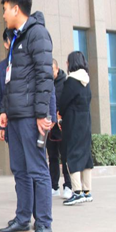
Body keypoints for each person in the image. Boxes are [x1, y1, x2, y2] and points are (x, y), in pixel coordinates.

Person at [0, 0, 54, 232]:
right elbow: (11, 80)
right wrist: (5, 110)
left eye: (5, 10)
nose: (3, 15)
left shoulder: (37, 33)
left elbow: (44, 76)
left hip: (31, 116)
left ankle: (43, 223)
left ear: (16, 9)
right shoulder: (15, 39)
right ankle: (22, 219)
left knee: (38, 170)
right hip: (16, 116)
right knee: (19, 170)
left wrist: (42, 113)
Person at [59, 51, 94, 206]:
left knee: (72, 154)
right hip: (85, 121)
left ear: (71, 63)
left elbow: (63, 102)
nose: (66, 64)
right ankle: (87, 192)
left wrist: (60, 114)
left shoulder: (71, 81)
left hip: (73, 122)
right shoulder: (86, 80)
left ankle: (77, 192)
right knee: (85, 155)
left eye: (67, 61)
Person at [47, 59, 72, 199]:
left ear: (57, 69)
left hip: (62, 125)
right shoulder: (46, 82)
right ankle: (54, 186)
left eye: (52, 70)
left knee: (65, 157)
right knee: (52, 157)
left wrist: (59, 114)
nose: (50, 73)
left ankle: (68, 186)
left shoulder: (65, 83)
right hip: (50, 126)